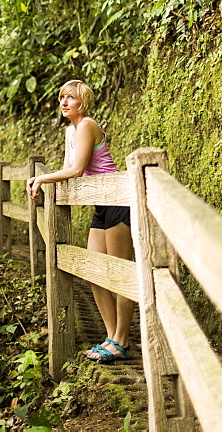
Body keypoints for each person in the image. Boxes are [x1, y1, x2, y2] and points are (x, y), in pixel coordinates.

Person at [25, 80, 135, 364]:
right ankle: (111, 337)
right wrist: (42, 179)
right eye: (61, 97)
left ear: (82, 103)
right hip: (102, 203)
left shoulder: (87, 124)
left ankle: (122, 340)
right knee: (93, 273)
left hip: (117, 199)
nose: (64, 102)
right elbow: (66, 168)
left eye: (70, 98)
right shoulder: (70, 131)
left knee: (118, 275)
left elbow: (76, 170)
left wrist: (39, 178)